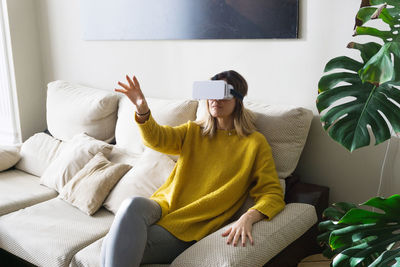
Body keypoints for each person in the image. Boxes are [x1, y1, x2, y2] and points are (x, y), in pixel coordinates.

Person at [101, 70, 285, 267]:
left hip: (192, 225)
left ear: (238, 99)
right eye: (211, 92)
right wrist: (142, 108)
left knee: (111, 246)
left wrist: (248, 217)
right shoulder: (194, 131)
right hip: (163, 207)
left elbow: (272, 193)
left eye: (223, 93)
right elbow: (157, 139)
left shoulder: (254, 143)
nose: (215, 99)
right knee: (131, 205)